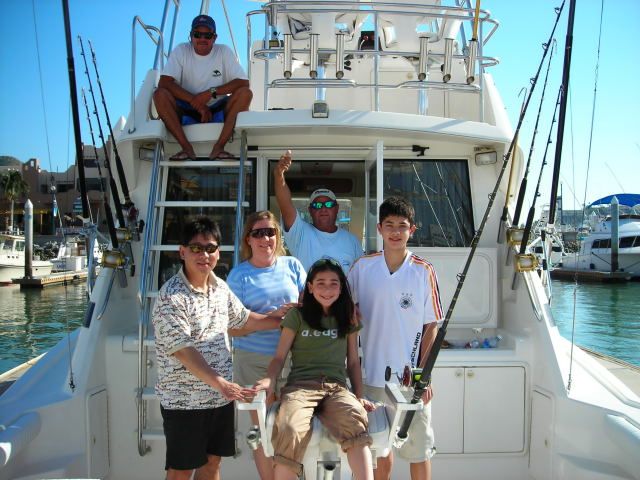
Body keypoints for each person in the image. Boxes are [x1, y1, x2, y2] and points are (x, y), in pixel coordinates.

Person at [152, 217, 287, 480]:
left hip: (218, 400)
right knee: (180, 471)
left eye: (211, 248)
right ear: (182, 252)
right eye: (196, 248)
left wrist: (283, 321)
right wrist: (222, 384)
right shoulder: (171, 296)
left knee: (213, 464)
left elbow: (245, 319)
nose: (204, 254)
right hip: (184, 403)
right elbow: (183, 351)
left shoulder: (220, 288)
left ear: (218, 253)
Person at [347, 196, 443, 480]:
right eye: (389, 225)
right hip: (368, 379)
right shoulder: (362, 268)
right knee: (378, 454)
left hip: (409, 381)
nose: (395, 232)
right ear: (379, 228)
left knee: (419, 451)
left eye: (402, 226)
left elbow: (431, 327)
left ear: (412, 230)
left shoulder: (423, 270)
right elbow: (343, 315)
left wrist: (423, 377)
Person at [255, 258, 375, 480]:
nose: (327, 289)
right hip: (300, 388)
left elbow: (354, 362)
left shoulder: (348, 317)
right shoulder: (297, 316)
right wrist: (268, 381)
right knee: (290, 429)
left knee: (354, 421)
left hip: (336, 388)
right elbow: (279, 357)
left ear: (341, 287)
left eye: (333, 283)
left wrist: (359, 397)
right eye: (320, 283)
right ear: (310, 287)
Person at [226, 210, 306, 480]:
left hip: (294, 359)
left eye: (270, 231)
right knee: (263, 428)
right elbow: (233, 328)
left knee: (290, 426)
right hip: (254, 361)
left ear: (278, 236)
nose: (265, 238)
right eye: (258, 233)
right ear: (248, 239)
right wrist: (278, 320)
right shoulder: (239, 276)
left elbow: (309, 306)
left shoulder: (293, 266)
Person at [153, 14, 252, 160]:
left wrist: (210, 93)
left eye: (207, 35)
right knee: (159, 94)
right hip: (186, 109)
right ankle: (186, 148)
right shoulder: (181, 50)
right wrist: (197, 103)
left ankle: (219, 147)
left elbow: (243, 83)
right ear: (191, 36)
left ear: (214, 37)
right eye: (197, 34)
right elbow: (164, 82)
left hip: (218, 108)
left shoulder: (223, 51)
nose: (202, 39)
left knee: (245, 94)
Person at [273, 150, 363, 272]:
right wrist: (279, 175)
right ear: (310, 210)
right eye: (317, 205)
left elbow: (360, 276)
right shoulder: (300, 234)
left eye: (329, 204)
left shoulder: (352, 241)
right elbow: (285, 204)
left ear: (336, 208)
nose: (324, 208)